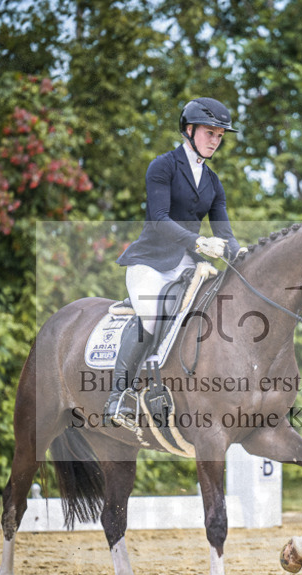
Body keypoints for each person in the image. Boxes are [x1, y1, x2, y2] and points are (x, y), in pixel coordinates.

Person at [105, 97, 242, 424]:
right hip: (150, 263)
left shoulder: (212, 182)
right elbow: (160, 218)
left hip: (187, 267)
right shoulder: (163, 166)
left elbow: (224, 230)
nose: (215, 141)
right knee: (151, 315)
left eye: (220, 136)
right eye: (210, 133)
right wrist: (197, 240)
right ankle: (119, 396)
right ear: (190, 130)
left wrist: (240, 251)